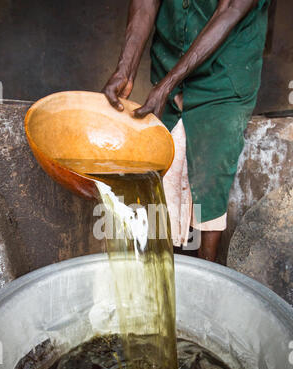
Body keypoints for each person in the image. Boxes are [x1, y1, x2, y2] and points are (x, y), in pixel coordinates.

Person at [103, 0, 270, 261]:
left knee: (208, 180)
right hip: (168, 62)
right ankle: (164, 270)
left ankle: (207, 276)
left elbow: (229, 10)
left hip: (224, 75)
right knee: (163, 173)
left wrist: (167, 85)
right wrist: (125, 69)